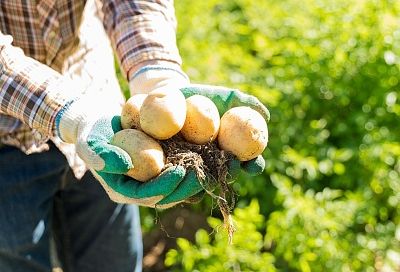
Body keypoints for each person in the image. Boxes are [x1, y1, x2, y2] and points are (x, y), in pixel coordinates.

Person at [0, 0, 269, 271]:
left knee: (114, 262)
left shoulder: (117, 134)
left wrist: (156, 75)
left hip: (102, 119)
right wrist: (72, 115)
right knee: (18, 260)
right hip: (7, 137)